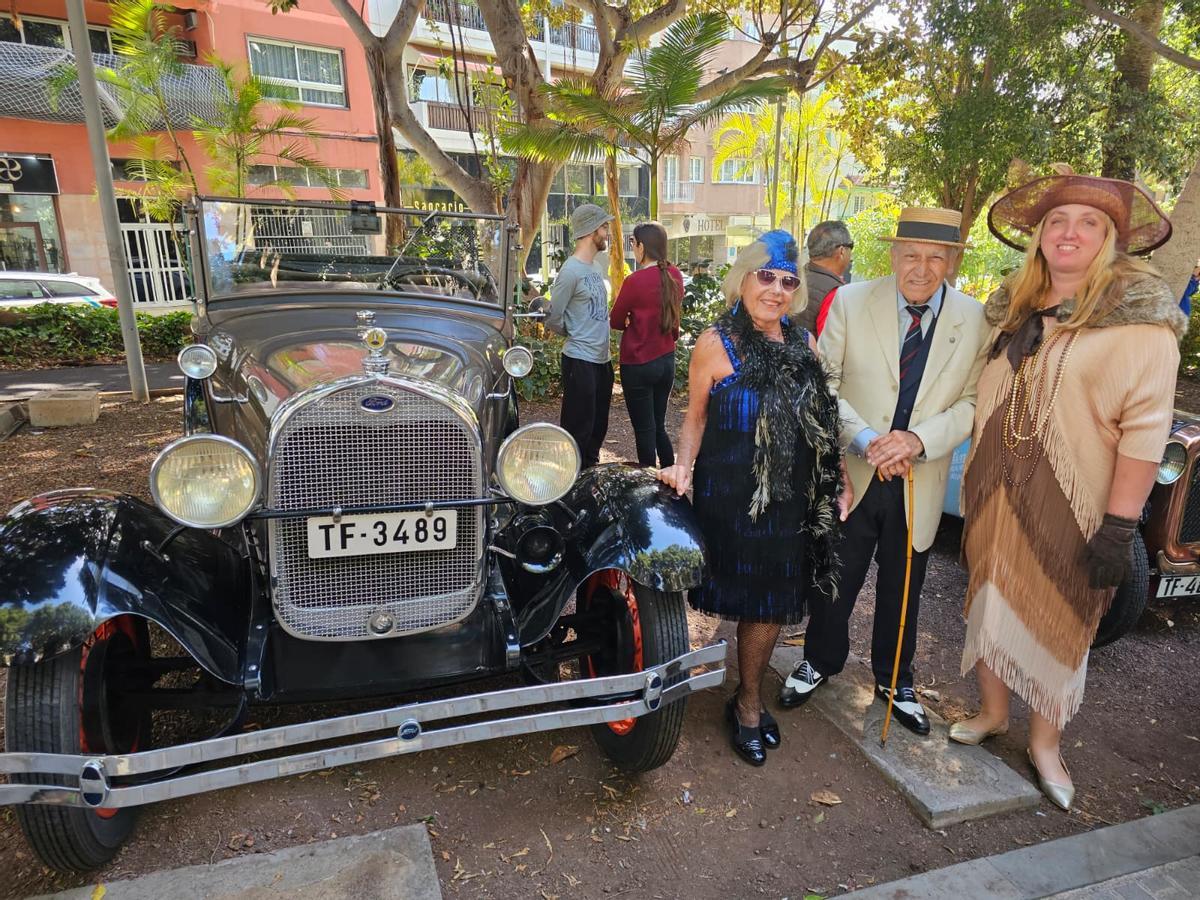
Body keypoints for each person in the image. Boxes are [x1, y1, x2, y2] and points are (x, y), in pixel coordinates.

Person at [953, 166, 1184, 810]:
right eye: (1058, 220)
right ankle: (993, 712)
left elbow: (1144, 432)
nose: (1070, 232)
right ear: (1039, 237)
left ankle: (1045, 742)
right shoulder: (1014, 308)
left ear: (1110, 240)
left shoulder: (1142, 323)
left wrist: (1120, 526)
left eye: (1089, 223)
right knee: (990, 593)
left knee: (1062, 613)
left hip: (1076, 497)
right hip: (995, 487)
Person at [780, 207, 990, 736]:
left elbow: (971, 402)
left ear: (952, 261)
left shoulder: (977, 319)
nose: (921, 267)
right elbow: (824, 385)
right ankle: (820, 661)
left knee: (906, 585)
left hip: (920, 478)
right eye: (911, 254)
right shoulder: (849, 301)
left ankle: (896, 681)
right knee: (835, 578)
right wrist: (870, 440)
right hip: (857, 469)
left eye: (935, 257)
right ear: (893, 255)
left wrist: (917, 440)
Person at [657, 230, 850, 767]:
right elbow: (694, 417)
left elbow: (820, 421)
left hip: (788, 499)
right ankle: (740, 694)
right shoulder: (715, 342)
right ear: (743, 278)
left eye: (788, 281)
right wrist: (683, 466)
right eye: (766, 276)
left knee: (768, 604)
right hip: (730, 495)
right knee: (743, 595)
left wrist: (839, 477)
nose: (777, 290)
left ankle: (746, 701)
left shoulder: (803, 344)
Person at [609, 222, 684, 467]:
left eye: (633, 243)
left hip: (638, 361)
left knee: (644, 429)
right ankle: (671, 475)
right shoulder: (675, 275)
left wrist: (632, 320)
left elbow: (615, 320)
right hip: (666, 359)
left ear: (641, 246)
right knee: (658, 425)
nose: (633, 248)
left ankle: (648, 484)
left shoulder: (635, 281)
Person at [547, 204, 615, 467]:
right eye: (604, 227)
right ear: (590, 231)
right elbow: (553, 317)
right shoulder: (570, 271)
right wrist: (574, 333)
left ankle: (590, 481)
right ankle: (570, 487)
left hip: (602, 362)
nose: (607, 232)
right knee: (578, 430)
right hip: (579, 360)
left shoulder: (595, 268)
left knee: (598, 428)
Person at [799, 220, 854, 333]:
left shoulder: (796, 277)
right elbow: (830, 346)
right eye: (851, 247)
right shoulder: (835, 293)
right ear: (842, 251)